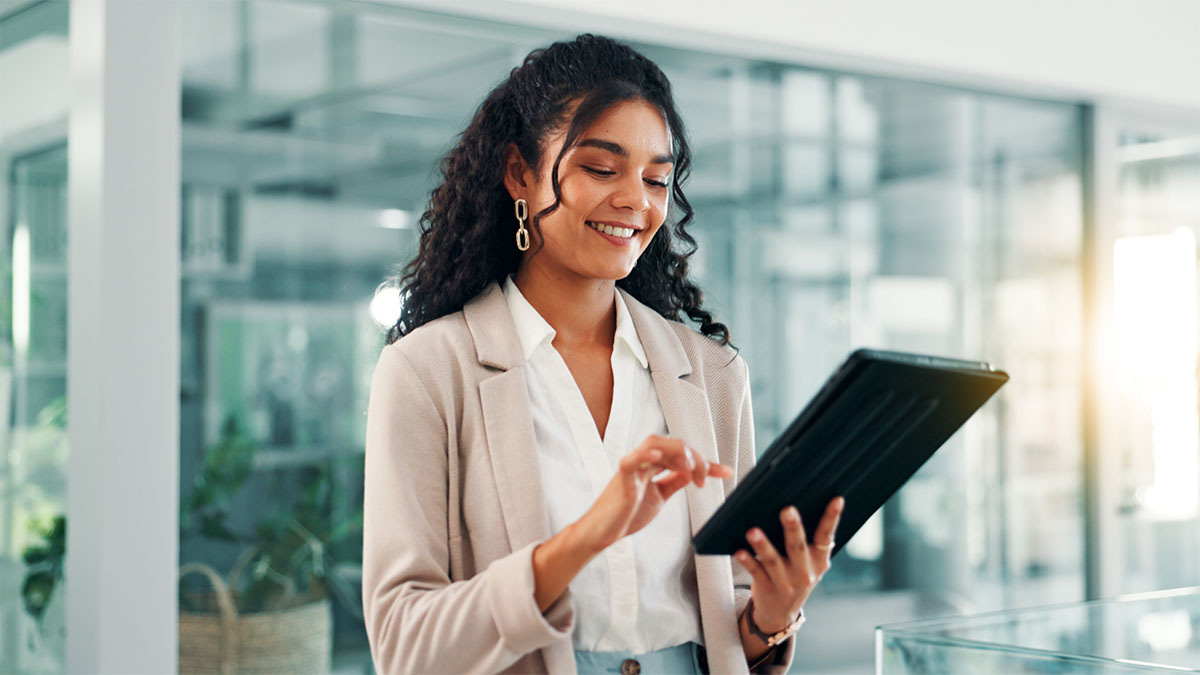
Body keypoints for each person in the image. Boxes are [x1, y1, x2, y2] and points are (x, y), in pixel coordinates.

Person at [362, 34, 844, 675]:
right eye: (600, 167)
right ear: (519, 174)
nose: (636, 202)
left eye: (656, 179)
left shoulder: (715, 376)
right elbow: (404, 644)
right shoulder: (428, 371)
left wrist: (770, 616)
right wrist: (588, 535)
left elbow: (728, 628)